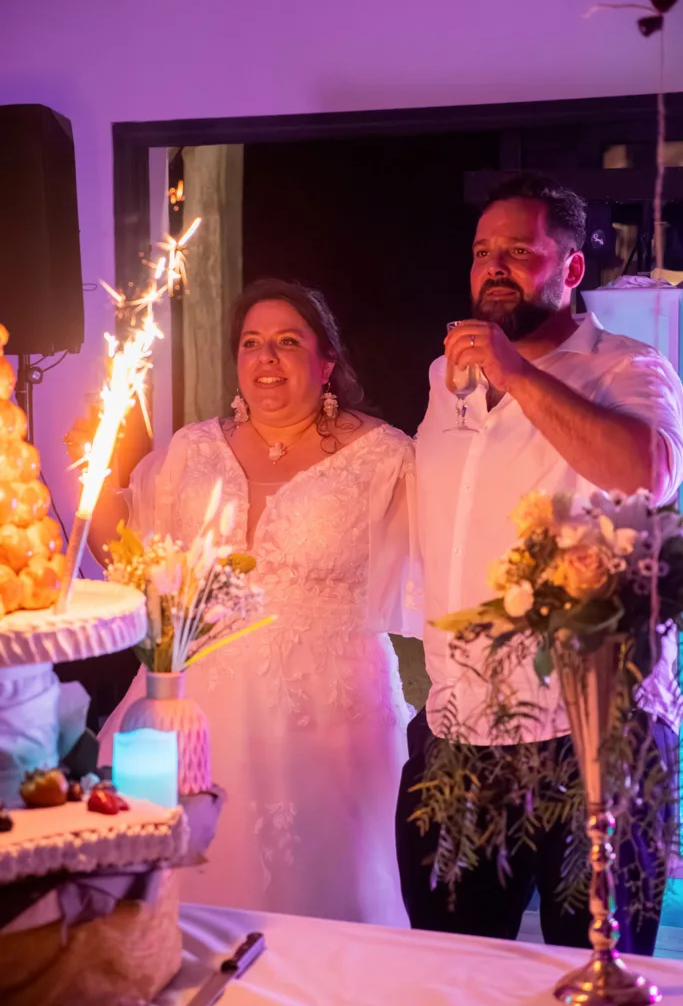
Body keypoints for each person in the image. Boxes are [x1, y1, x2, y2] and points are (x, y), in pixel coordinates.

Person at [396, 173, 683, 954]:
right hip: (462, 726)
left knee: (597, 968)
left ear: (569, 271)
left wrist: (517, 375)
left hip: (592, 727)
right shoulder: (442, 377)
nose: (493, 266)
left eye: (518, 252)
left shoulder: (631, 368)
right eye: (482, 251)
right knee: (451, 968)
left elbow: (647, 472)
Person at [86, 279, 420, 925]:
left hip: (329, 710)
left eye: (287, 342)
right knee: (180, 888)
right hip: (196, 702)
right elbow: (129, 556)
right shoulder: (193, 449)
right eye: (251, 343)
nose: (266, 358)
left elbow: (442, 561)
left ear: (327, 362)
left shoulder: (385, 458)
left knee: (327, 892)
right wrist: (91, 472)